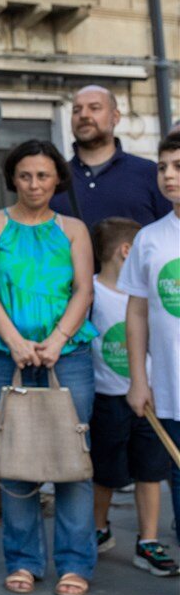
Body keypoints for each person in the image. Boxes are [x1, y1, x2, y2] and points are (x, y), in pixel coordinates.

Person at [0, 139, 98, 595]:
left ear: (57, 178)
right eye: (25, 175)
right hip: (4, 355)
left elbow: (84, 289)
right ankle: (22, 560)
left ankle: (75, 563)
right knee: (16, 459)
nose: (34, 184)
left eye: (43, 175)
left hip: (71, 356)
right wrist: (18, 342)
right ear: (13, 179)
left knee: (72, 460)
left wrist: (57, 340)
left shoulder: (75, 229)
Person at [88, 217, 178, 576]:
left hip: (150, 396)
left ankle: (148, 540)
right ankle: (98, 528)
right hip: (107, 396)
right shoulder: (93, 292)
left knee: (151, 469)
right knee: (104, 470)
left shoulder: (147, 294)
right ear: (128, 250)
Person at [122, 135, 180, 551]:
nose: (168, 175)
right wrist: (138, 379)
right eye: (162, 167)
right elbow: (137, 312)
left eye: (178, 166)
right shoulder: (150, 238)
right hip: (172, 392)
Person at [49, 85, 171, 228]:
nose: (83, 115)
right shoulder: (55, 178)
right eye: (76, 110)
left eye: (94, 108)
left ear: (115, 117)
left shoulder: (149, 172)